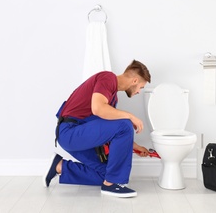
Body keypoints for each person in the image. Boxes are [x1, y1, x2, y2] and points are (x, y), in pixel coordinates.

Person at [43, 60, 151, 198]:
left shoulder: (112, 98)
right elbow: (97, 108)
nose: (138, 92)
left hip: (80, 136)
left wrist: (136, 147)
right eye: (140, 88)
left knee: (107, 173)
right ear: (135, 80)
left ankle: (59, 166)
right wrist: (131, 116)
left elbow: (113, 133)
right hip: (70, 132)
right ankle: (112, 184)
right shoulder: (108, 78)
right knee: (125, 123)